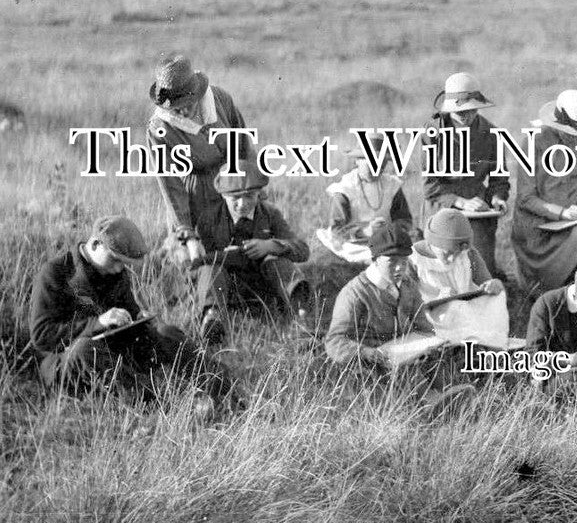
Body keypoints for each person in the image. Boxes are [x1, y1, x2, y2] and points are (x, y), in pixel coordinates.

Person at [29, 216, 232, 403]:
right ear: (95, 244)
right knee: (84, 349)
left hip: (112, 352)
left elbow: (128, 310)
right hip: (67, 363)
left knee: (165, 331)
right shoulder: (55, 272)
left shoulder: (115, 272)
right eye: (116, 260)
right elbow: (41, 336)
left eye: (124, 264)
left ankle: (223, 386)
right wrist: (97, 324)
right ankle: (158, 405)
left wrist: (140, 318)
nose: (119, 269)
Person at [145, 54, 249, 264]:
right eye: (175, 106)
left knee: (243, 255)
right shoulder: (159, 128)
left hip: (232, 188)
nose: (182, 110)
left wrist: (249, 191)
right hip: (195, 198)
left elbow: (243, 145)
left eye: (187, 103)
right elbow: (170, 184)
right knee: (199, 261)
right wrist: (187, 233)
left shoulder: (220, 99)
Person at [193, 161, 310, 344]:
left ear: (259, 193)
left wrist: (270, 246)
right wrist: (226, 256)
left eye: (250, 196)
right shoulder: (208, 219)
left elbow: (302, 250)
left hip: (264, 285)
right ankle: (212, 318)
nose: (242, 204)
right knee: (211, 270)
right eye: (235, 198)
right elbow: (197, 265)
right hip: (227, 287)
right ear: (223, 196)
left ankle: (300, 317)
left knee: (278, 262)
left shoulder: (270, 214)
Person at [307, 132, 414, 326]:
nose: (376, 168)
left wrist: (390, 229)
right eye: (370, 162)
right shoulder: (345, 189)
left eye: (381, 164)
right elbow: (337, 229)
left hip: (387, 239)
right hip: (354, 243)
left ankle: (405, 312)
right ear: (358, 161)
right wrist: (365, 231)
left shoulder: (391, 185)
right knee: (369, 263)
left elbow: (405, 219)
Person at [511, 90, 577, 295]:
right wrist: (562, 213)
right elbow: (525, 198)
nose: (576, 138)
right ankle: (557, 298)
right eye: (571, 133)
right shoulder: (534, 141)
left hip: (576, 220)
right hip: (538, 227)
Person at [421, 73, 510, 278]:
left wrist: (498, 199)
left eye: (471, 110)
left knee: (479, 271)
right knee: (441, 269)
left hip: (479, 212)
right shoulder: (432, 132)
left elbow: (499, 180)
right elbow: (430, 187)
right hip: (441, 208)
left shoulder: (491, 133)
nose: (465, 115)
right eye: (460, 111)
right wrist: (460, 202)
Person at [409, 209, 514, 350]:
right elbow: (409, 302)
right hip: (430, 316)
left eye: (458, 253)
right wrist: (438, 301)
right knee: (452, 310)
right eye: (448, 253)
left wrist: (494, 285)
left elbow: (486, 281)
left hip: (465, 309)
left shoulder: (468, 255)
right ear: (432, 244)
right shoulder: (414, 259)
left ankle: (480, 344)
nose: (453, 258)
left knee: (495, 299)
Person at [324, 222, 423, 368]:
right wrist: (365, 352)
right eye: (391, 262)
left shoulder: (408, 285)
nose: (399, 268)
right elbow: (334, 341)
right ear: (374, 260)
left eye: (404, 262)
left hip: (408, 356)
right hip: (371, 364)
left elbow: (424, 326)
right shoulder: (355, 293)